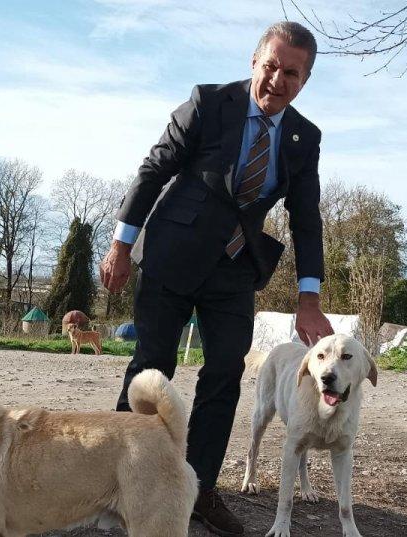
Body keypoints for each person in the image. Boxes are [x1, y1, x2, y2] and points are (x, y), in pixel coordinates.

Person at [99, 22, 333, 536]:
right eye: (270, 66)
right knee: (151, 367)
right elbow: (152, 170)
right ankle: (115, 484)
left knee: (225, 371)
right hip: (171, 255)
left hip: (234, 267)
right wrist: (120, 245)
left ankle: (199, 490)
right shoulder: (208, 103)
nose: (277, 80)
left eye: (291, 73)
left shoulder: (303, 139)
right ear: (254, 62)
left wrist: (308, 297)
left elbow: (307, 218)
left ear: (305, 80)